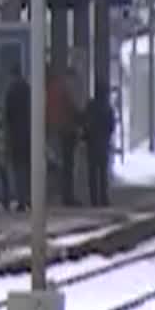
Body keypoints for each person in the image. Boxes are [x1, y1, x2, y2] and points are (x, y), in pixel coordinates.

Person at [47, 67, 81, 206]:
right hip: (66, 131)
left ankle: (51, 195)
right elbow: (72, 109)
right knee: (67, 167)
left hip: (52, 131)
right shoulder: (63, 90)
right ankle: (67, 196)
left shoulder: (48, 90)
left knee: (55, 164)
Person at [84, 86, 115, 207]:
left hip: (92, 142)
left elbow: (86, 122)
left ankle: (94, 199)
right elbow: (111, 126)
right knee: (103, 173)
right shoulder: (107, 108)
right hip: (103, 142)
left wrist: (86, 135)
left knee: (92, 172)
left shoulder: (90, 106)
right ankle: (104, 198)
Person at [5, 70, 31, 211]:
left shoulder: (11, 92)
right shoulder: (28, 89)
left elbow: (8, 114)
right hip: (29, 133)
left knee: (19, 168)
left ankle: (21, 200)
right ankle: (31, 198)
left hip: (16, 134)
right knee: (29, 168)